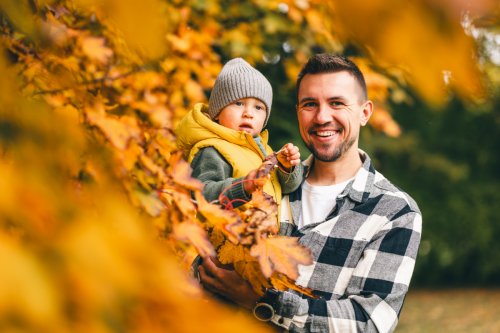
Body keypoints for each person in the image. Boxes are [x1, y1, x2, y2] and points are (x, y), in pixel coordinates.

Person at [197, 54, 422, 333]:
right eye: (310, 104)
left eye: (336, 103)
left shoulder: (393, 211)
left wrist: (258, 301)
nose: (322, 117)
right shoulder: (270, 183)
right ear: (298, 112)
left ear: (365, 112)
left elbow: (369, 322)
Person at [176, 57, 303, 210]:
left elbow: (288, 189)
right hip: (231, 230)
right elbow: (200, 196)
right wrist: (243, 187)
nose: (248, 113)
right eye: (238, 103)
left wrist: (286, 168)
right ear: (217, 112)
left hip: (264, 231)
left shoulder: (264, 151)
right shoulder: (213, 150)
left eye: (258, 107)